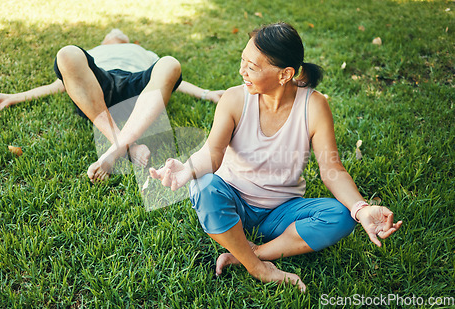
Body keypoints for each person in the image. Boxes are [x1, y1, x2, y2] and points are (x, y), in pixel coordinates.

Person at [149, 23, 403, 292]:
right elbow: (213, 153)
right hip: (232, 199)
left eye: (252, 67)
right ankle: (257, 266)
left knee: (341, 215)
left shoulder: (314, 106)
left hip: (281, 212)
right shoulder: (234, 99)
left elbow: (332, 169)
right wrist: (187, 168)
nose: (241, 71)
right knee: (203, 185)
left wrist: (361, 209)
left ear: (285, 74)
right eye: (242, 61)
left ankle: (253, 252)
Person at [0, 29, 224, 182]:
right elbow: (64, 83)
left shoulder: (144, 52)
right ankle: (124, 145)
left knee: (170, 63)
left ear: (128, 41)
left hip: (137, 88)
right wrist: (14, 97)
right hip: (99, 87)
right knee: (66, 53)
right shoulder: (95, 52)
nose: (115, 33)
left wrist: (207, 93)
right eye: (111, 35)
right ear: (105, 41)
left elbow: (170, 81)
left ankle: (116, 148)